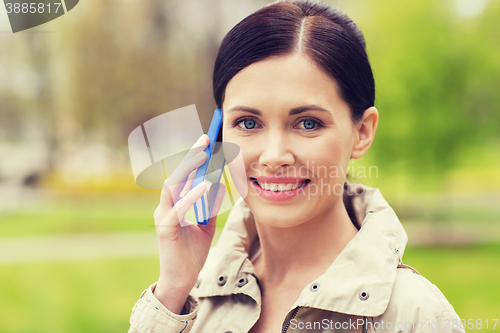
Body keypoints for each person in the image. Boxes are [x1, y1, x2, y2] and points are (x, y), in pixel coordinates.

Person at [128, 1, 465, 332]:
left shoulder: (418, 316)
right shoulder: (191, 298)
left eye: (307, 123)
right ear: (217, 134)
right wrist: (172, 291)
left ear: (361, 132)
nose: (274, 157)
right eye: (247, 123)